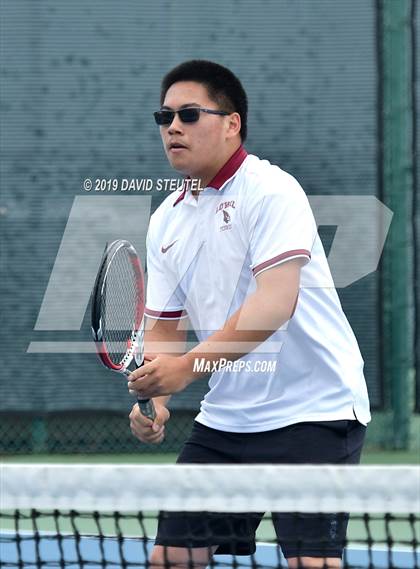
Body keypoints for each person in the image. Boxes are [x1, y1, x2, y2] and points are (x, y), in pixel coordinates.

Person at [128, 60, 371, 569]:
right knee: (172, 559)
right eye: (164, 116)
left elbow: (273, 305)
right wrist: (161, 393)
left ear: (232, 122)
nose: (173, 126)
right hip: (228, 421)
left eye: (189, 114)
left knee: (311, 564)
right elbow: (165, 329)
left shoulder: (273, 191)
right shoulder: (166, 221)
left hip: (315, 411)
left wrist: (184, 369)